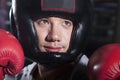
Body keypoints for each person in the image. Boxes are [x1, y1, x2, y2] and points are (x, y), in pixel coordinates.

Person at [5, 0, 93, 80]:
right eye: (44, 22)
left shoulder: (93, 76)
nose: (54, 36)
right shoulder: (16, 77)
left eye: (66, 23)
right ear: (19, 25)